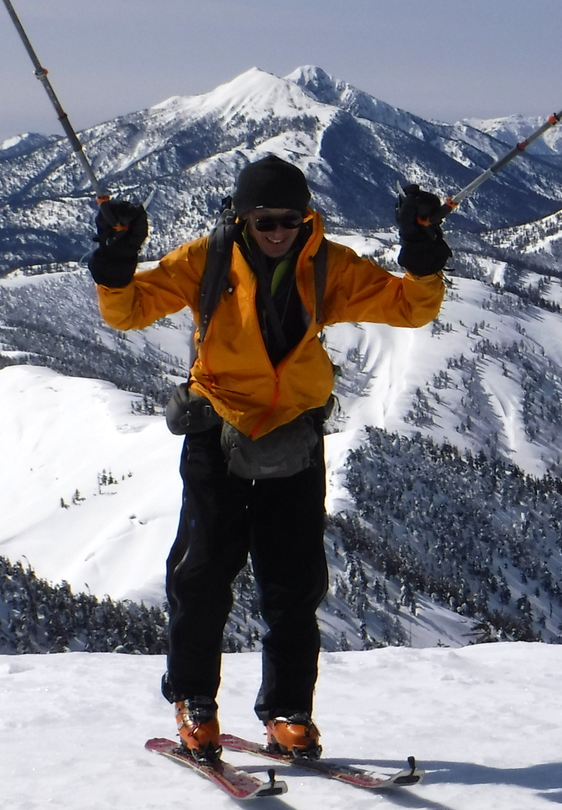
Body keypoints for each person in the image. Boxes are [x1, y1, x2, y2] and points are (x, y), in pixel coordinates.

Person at [88, 154, 451, 761]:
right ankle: (194, 702)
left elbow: (411, 307)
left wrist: (421, 256)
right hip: (217, 428)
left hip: (293, 435)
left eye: (290, 219)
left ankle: (289, 712)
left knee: (293, 583)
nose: (279, 231)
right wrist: (117, 267)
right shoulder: (205, 260)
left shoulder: (327, 264)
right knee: (202, 575)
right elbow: (127, 312)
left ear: (307, 217)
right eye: (265, 221)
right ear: (241, 218)